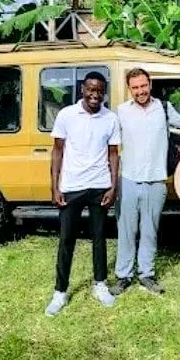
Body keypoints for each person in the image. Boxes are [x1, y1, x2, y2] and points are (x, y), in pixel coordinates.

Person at [45, 71, 121, 316]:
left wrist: (113, 186)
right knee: (67, 239)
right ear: (82, 90)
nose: (94, 95)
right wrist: (55, 186)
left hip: (99, 185)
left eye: (99, 91)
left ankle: (100, 285)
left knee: (99, 237)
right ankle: (60, 292)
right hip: (72, 186)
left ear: (104, 93)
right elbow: (57, 151)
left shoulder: (110, 118)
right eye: (90, 89)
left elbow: (113, 154)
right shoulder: (66, 115)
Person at [110, 68, 180, 296]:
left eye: (143, 86)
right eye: (135, 87)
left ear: (150, 84)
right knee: (126, 231)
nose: (140, 91)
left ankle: (146, 274)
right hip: (128, 180)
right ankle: (123, 276)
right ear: (129, 89)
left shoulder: (164, 108)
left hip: (156, 181)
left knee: (149, 231)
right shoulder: (121, 112)